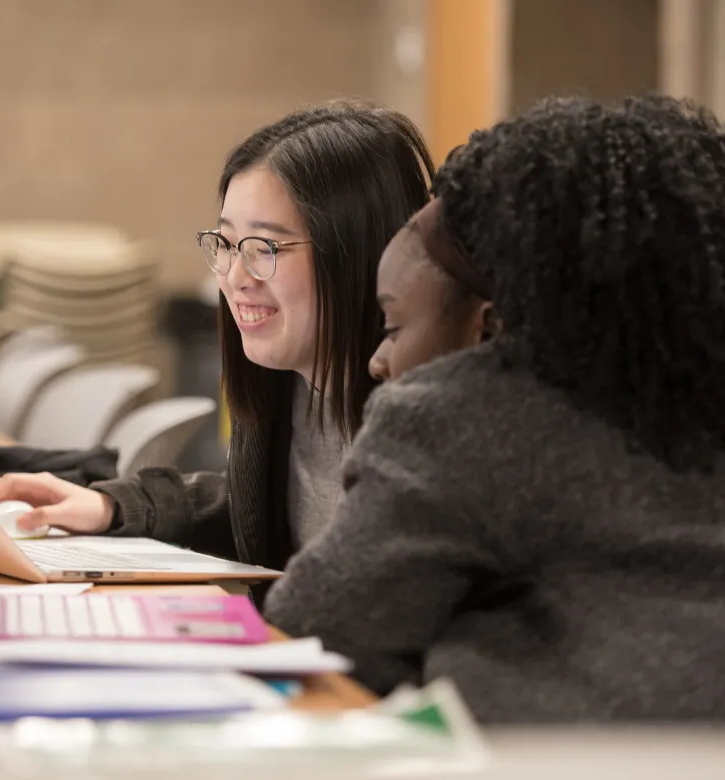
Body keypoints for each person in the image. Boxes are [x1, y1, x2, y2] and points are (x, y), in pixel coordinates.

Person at [264, 94, 725, 723]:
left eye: (393, 326)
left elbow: (316, 627)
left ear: (489, 332)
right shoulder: (687, 399)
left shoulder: (466, 413)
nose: (377, 359)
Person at [0, 100, 435, 604]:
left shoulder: (429, 442)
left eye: (265, 249)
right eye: (227, 244)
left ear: (357, 254)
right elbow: (253, 510)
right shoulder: (288, 387)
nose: (235, 278)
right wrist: (112, 508)